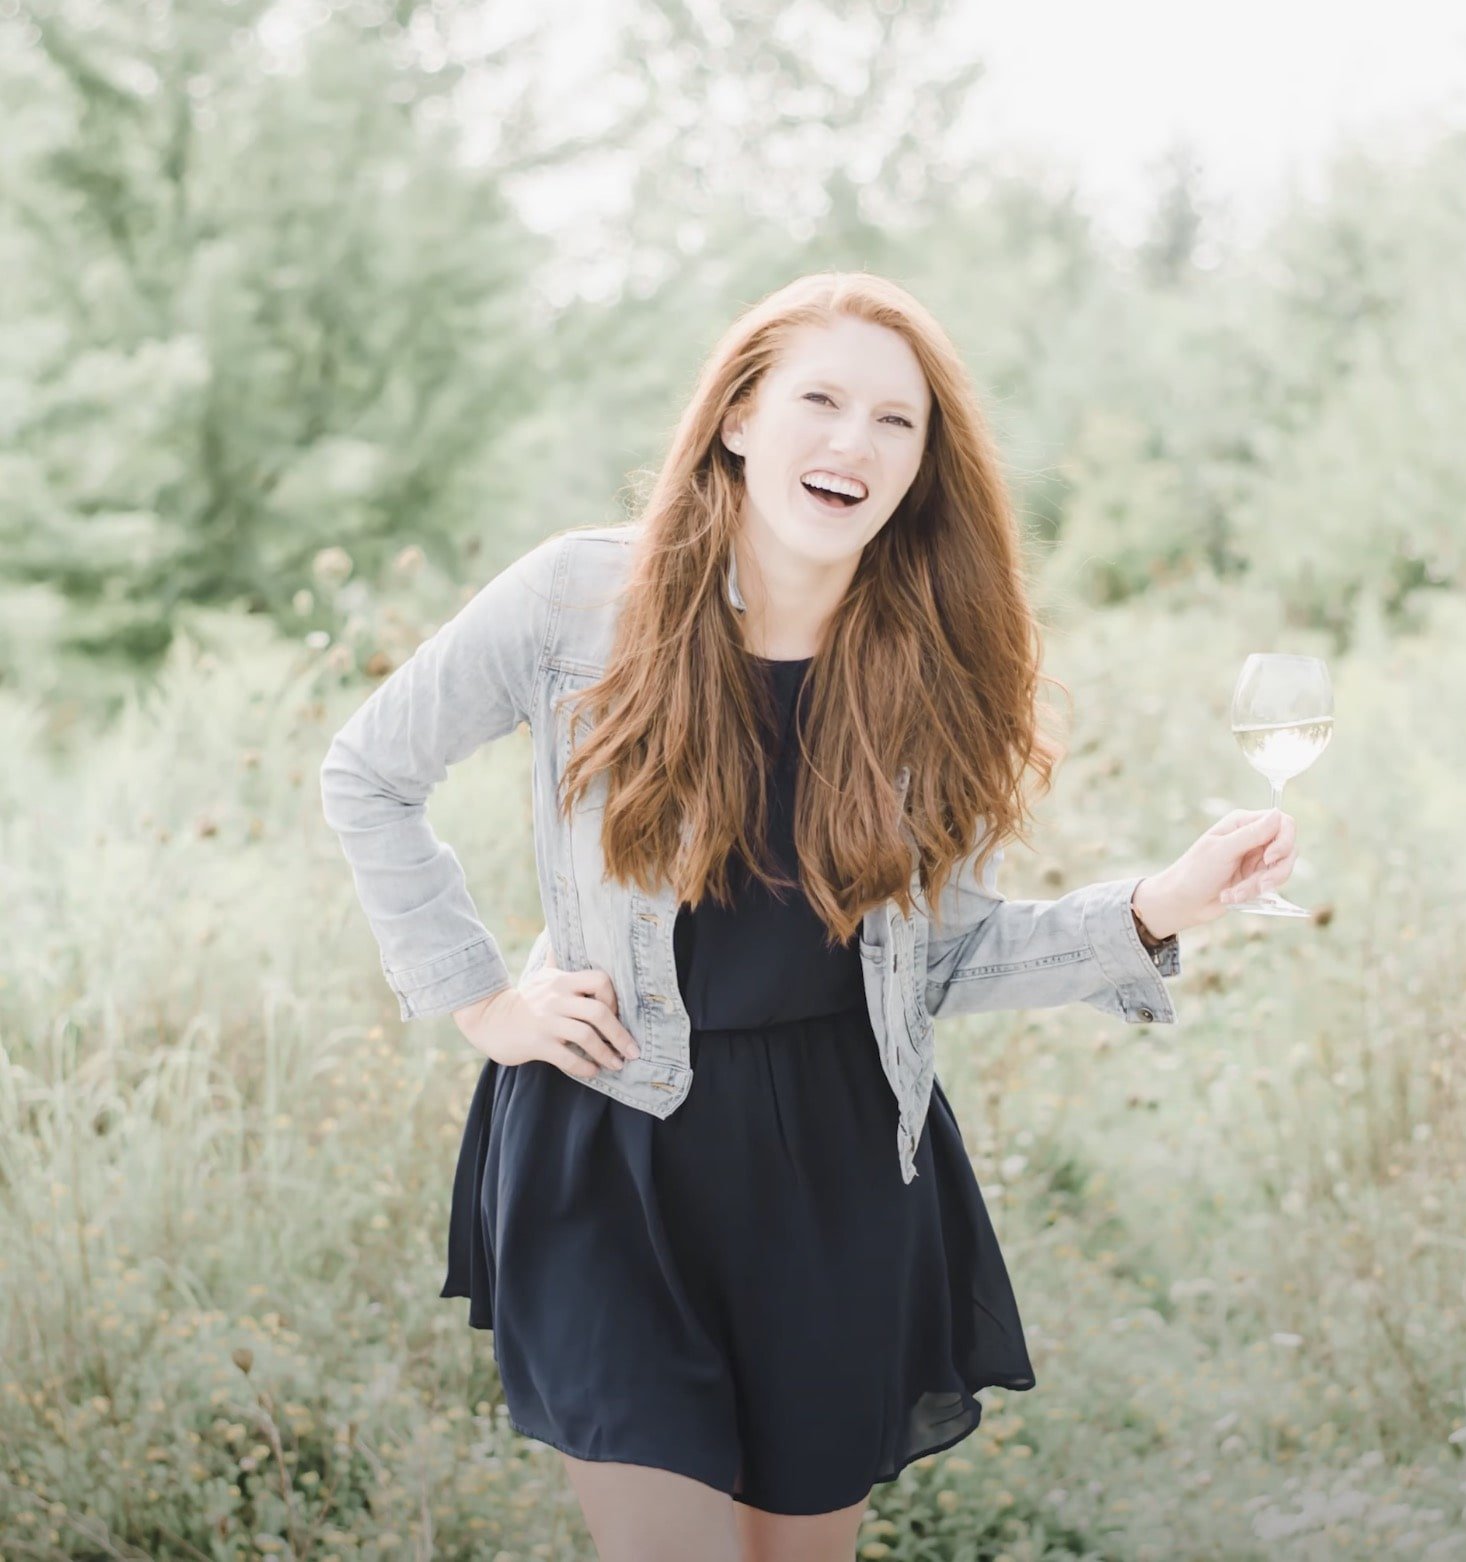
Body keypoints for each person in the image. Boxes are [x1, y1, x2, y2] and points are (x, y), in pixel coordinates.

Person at [319, 271, 1298, 1562]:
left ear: (923, 463)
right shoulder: (577, 601)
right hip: (613, 1138)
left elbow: (945, 957)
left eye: (896, 421)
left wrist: (1159, 904)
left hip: (837, 1159)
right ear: (738, 418)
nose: (855, 442)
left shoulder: (935, 663)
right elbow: (369, 772)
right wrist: (483, 999)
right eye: (820, 401)